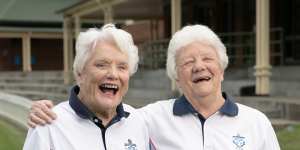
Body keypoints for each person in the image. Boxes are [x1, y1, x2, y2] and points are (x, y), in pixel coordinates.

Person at [27, 24, 280, 149]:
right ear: (175, 77)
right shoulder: (148, 118)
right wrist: (39, 110)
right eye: (188, 62)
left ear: (222, 69)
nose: (199, 67)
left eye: (207, 59)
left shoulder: (257, 123)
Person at [23, 24, 150, 150]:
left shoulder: (137, 122)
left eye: (122, 67)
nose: (113, 74)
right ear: (80, 73)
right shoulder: (48, 125)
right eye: (101, 65)